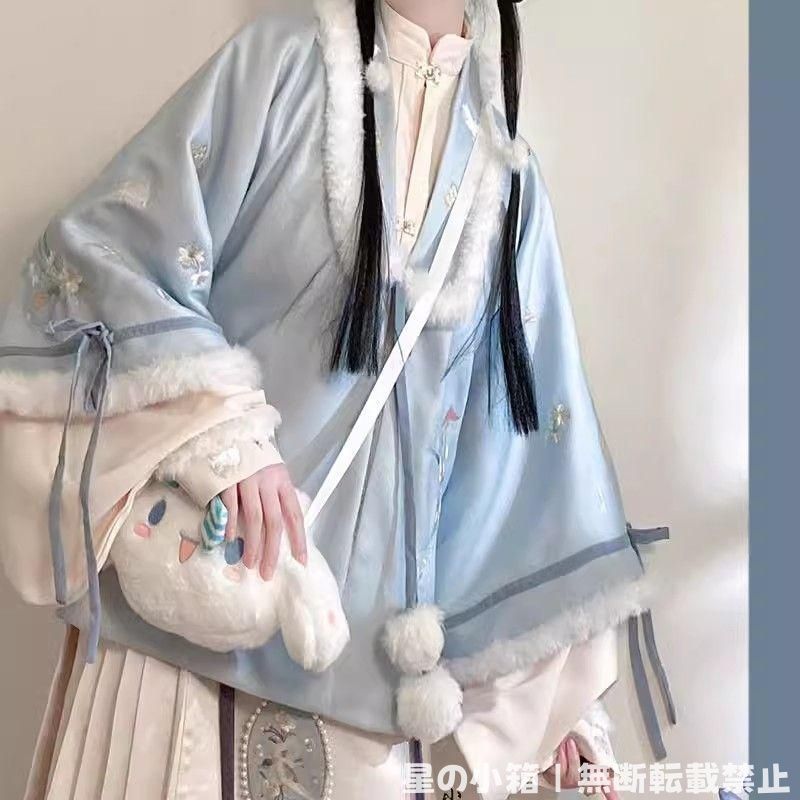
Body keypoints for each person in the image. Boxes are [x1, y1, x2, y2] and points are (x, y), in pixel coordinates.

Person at [0, 0, 672, 797]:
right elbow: (105, 256)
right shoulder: (282, 65)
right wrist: (224, 439)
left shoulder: (505, 171)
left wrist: (561, 709)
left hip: (366, 694)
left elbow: (526, 466)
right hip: (185, 648)